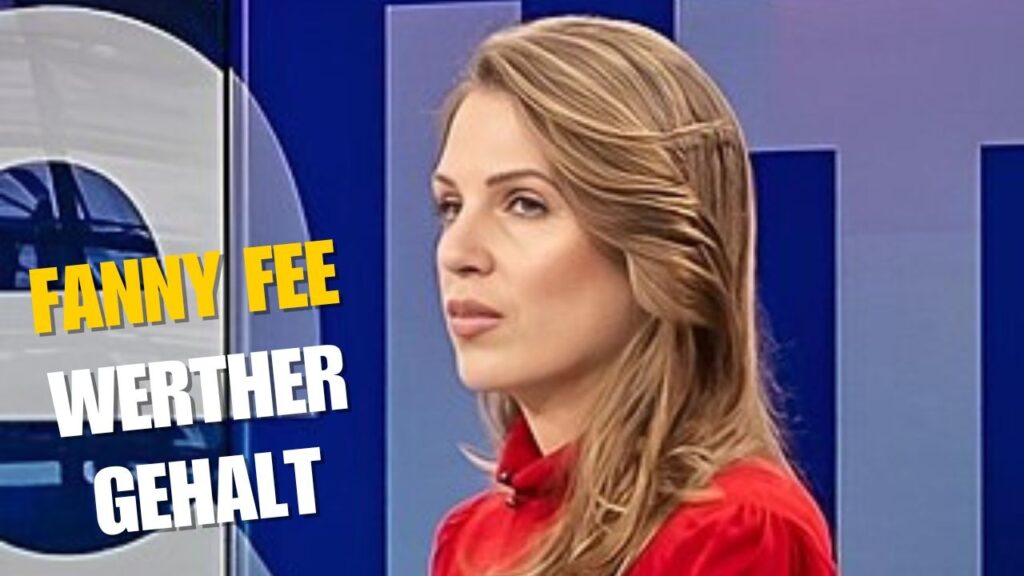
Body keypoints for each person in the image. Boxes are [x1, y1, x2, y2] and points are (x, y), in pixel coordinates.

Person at [428, 15, 837, 576]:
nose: (457, 252)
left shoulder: (734, 530)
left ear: (657, 247)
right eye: (451, 206)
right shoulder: (470, 541)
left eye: (525, 204)